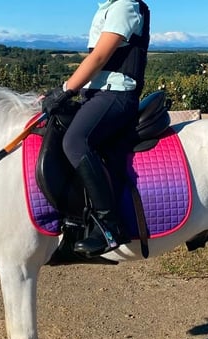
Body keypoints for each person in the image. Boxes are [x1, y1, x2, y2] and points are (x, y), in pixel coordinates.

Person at [42, 0, 150, 257]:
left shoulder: (125, 6)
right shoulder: (107, 8)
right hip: (97, 93)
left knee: (75, 142)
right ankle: (75, 220)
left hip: (117, 94)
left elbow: (99, 57)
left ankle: (108, 224)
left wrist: (65, 90)